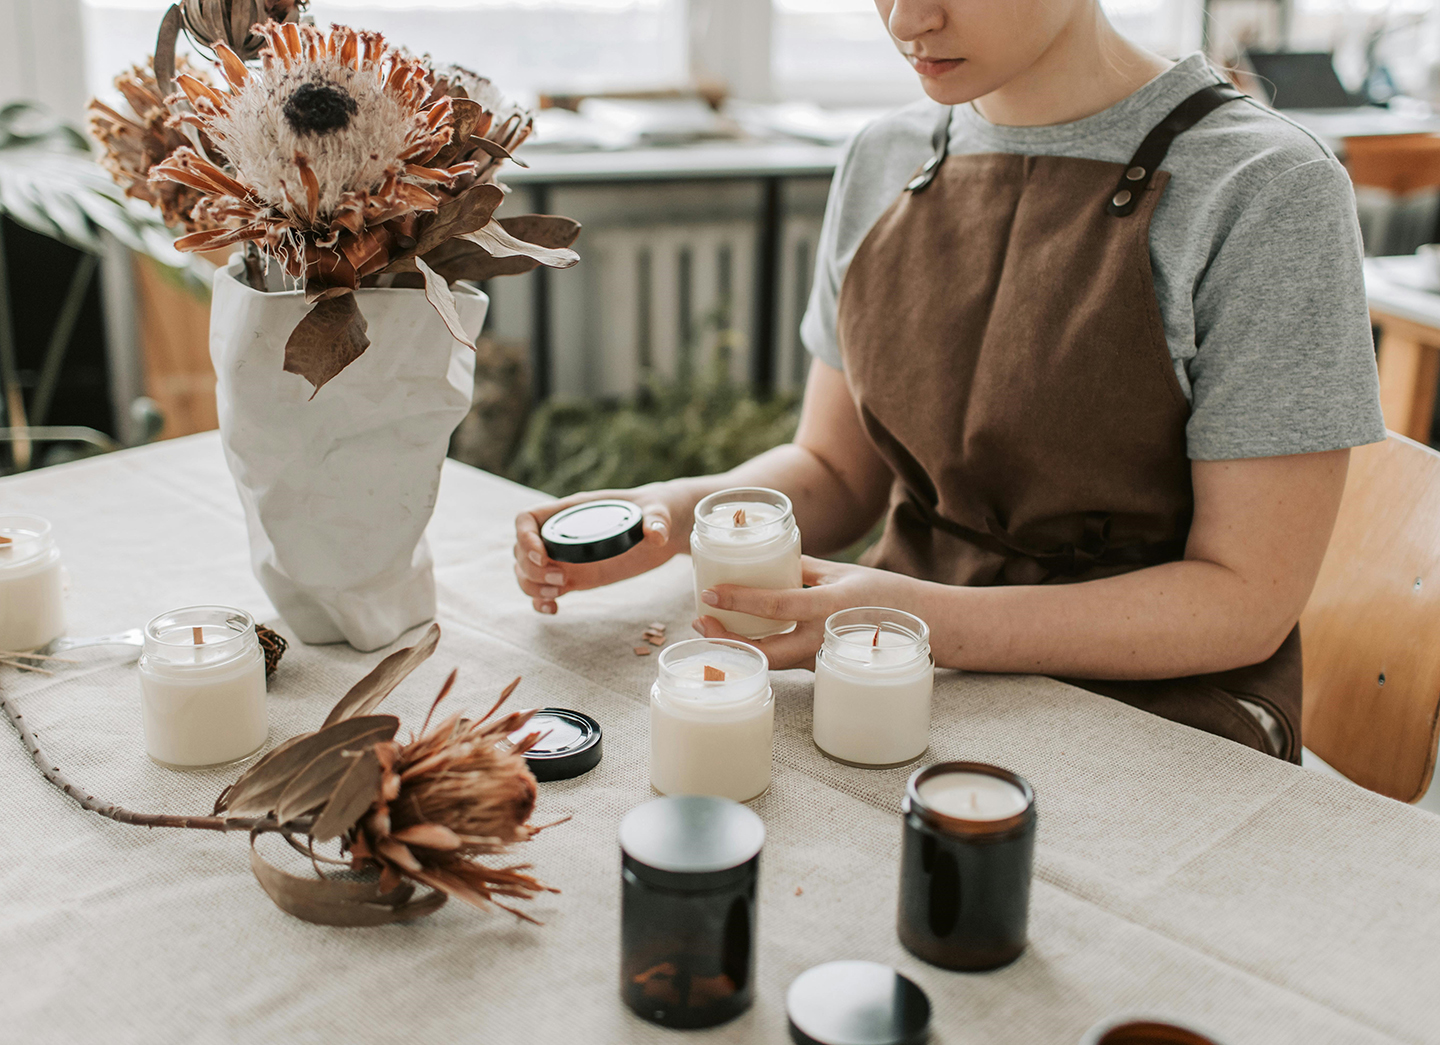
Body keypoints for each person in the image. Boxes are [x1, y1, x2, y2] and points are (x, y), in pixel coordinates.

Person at [513, 0, 1386, 761]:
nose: (906, 19)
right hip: (889, 664)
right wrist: (674, 517)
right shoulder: (884, 156)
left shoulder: (1266, 189)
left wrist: (922, 619)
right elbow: (833, 474)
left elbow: (1244, 601)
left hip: (1164, 709)